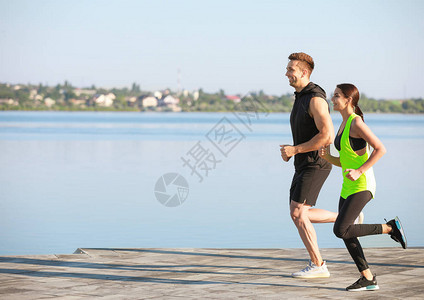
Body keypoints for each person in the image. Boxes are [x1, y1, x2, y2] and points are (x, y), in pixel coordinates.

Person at [319, 83, 407, 291]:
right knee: (348, 233)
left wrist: (360, 171)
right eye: (333, 95)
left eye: (337, 96)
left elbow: (380, 149)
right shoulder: (342, 124)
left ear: (349, 100)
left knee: (340, 229)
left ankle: (390, 228)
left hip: (363, 185)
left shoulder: (356, 123)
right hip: (348, 186)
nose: (333, 99)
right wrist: (329, 157)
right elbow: (347, 160)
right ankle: (367, 278)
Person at [280, 52, 338, 278]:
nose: (286, 73)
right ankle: (346, 217)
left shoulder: (315, 99)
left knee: (298, 213)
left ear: (304, 72)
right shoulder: (301, 96)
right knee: (298, 213)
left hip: (317, 163)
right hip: (304, 163)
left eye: (290, 69)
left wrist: (295, 150)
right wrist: (294, 153)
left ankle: (319, 265)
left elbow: (327, 136)